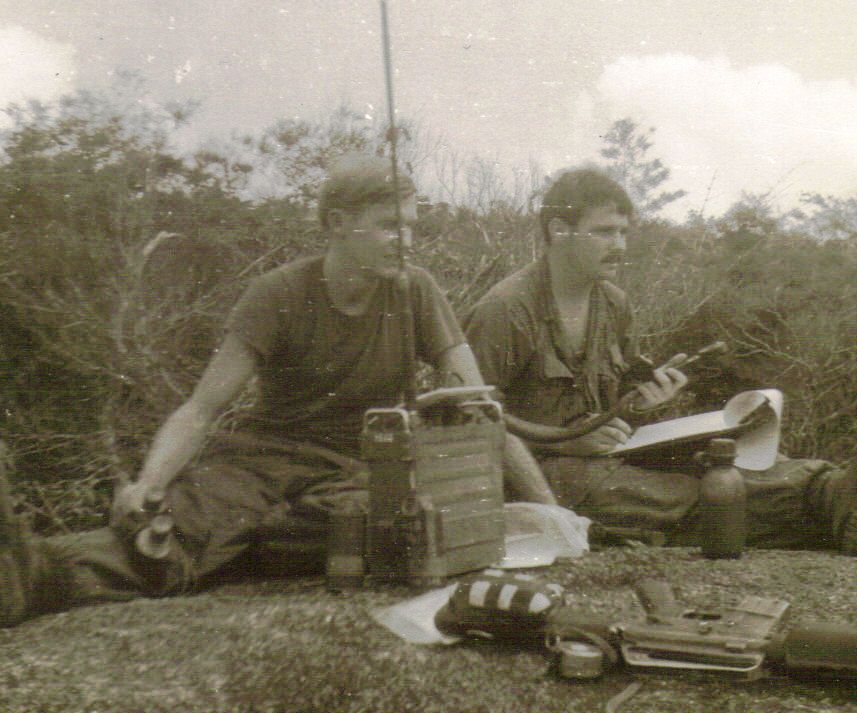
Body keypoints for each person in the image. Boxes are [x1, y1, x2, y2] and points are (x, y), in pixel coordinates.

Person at [0, 154, 552, 627]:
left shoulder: (418, 291)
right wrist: (150, 482)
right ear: (338, 223)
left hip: (361, 470)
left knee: (384, 528)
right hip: (264, 461)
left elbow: (477, 405)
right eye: (389, 226)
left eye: (411, 226)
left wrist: (549, 512)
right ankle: (30, 573)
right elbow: (201, 409)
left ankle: (241, 545)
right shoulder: (278, 293)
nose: (405, 242)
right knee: (169, 536)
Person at [464, 168, 857, 553]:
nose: (619, 245)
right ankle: (828, 509)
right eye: (604, 232)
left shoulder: (612, 303)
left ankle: (828, 490)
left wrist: (646, 400)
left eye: (623, 232)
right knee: (684, 497)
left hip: (610, 455)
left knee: (726, 460)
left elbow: (617, 404)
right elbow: (474, 425)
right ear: (559, 230)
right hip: (541, 475)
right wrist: (568, 442)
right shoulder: (506, 310)